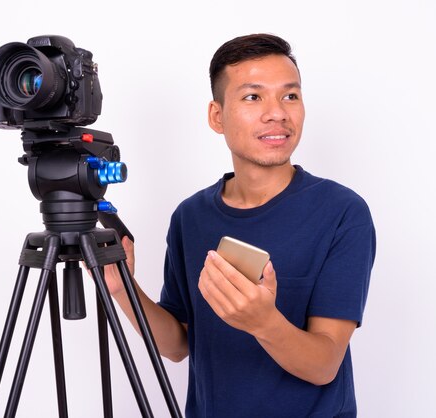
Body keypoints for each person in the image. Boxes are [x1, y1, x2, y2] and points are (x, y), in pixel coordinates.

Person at [104, 33, 376, 417]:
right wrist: (123, 288)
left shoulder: (342, 212)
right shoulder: (190, 216)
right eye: (253, 96)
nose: (277, 112)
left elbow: (324, 364)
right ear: (218, 116)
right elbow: (178, 344)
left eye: (290, 95)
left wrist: (264, 322)